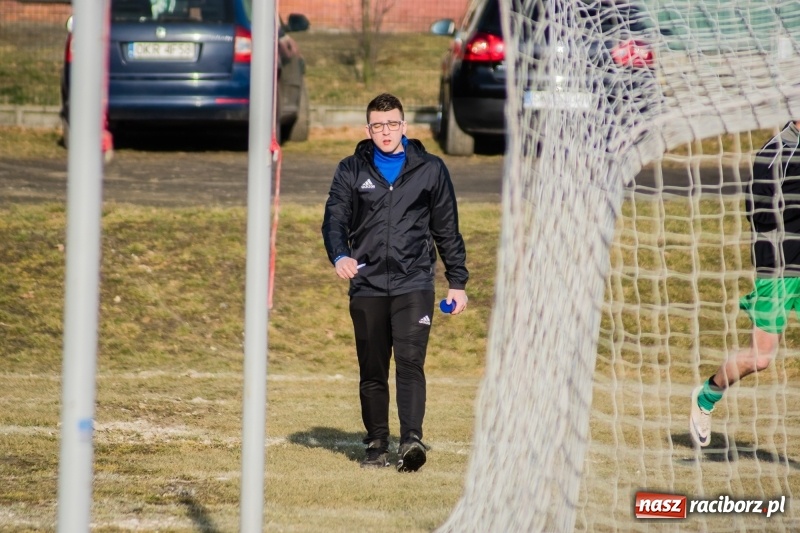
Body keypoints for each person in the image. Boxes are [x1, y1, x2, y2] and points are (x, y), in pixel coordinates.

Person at [322, 93, 469, 471]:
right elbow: (334, 218)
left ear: (404, 127)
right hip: (367, 284)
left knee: (409, 361)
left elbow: (446, 229)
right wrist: (340, 255)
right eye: (377, 125)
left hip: (414, 282)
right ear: (367, 129)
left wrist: (457, 281)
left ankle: (411, 441)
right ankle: (375, 446)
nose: (385, 132)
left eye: (392, 124)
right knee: (372, 368)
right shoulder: (351, 169)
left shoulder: (431, 169)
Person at [690, 119, 800, 448]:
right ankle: (706, 398)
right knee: (760, 358)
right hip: (779, 265)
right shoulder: (775, 153)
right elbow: (760, 214)